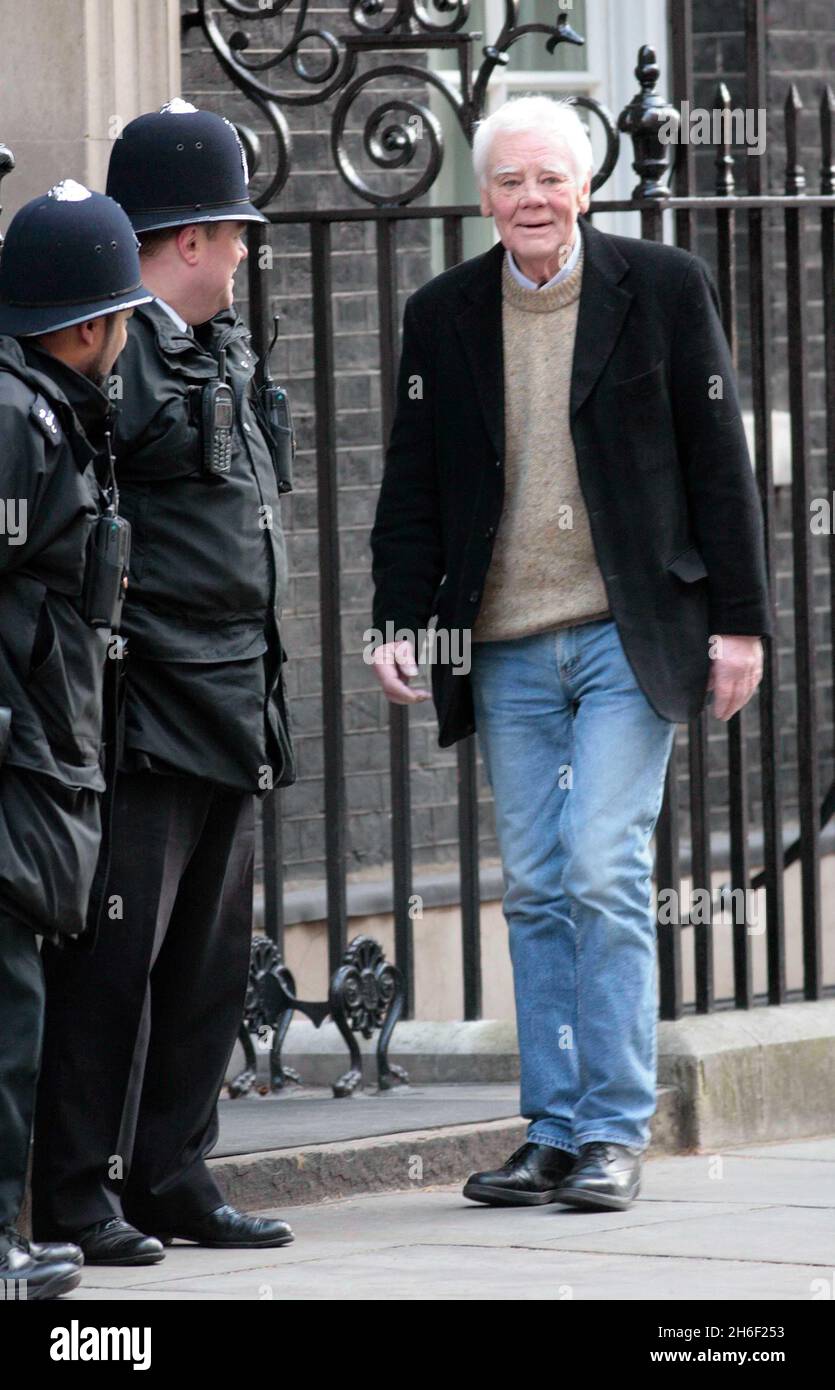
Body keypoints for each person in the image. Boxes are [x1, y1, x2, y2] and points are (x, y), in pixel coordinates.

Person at [369, 96, 772, 1212]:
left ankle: (612, 1128)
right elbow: (412, 483)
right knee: (539, 886)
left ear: (584, 185)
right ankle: (550, 1128)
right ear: (485, 196)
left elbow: (718, 463)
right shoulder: (442, 313)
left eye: (549, 179)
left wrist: (739, 623)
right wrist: (398, 617)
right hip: (502, 645)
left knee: (600, 866)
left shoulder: (663, 288)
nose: (531, 201)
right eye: (509, 183)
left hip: (622, 635)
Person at [31, 103, 296, 1264]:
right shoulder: (112, 352)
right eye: (232, 233)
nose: (244, 252)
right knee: (114, 961)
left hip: (236, 687)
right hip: (145, 697)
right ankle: (80, 1194)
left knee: (210, 958)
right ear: (184, 239)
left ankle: (176, 1172)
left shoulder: (223, 344)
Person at [0, 179, 151, 1296]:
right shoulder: (17, 418)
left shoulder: (44, 410)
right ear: (93, 324)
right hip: (15, 760)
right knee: (7, 1014)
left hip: (39, 756)